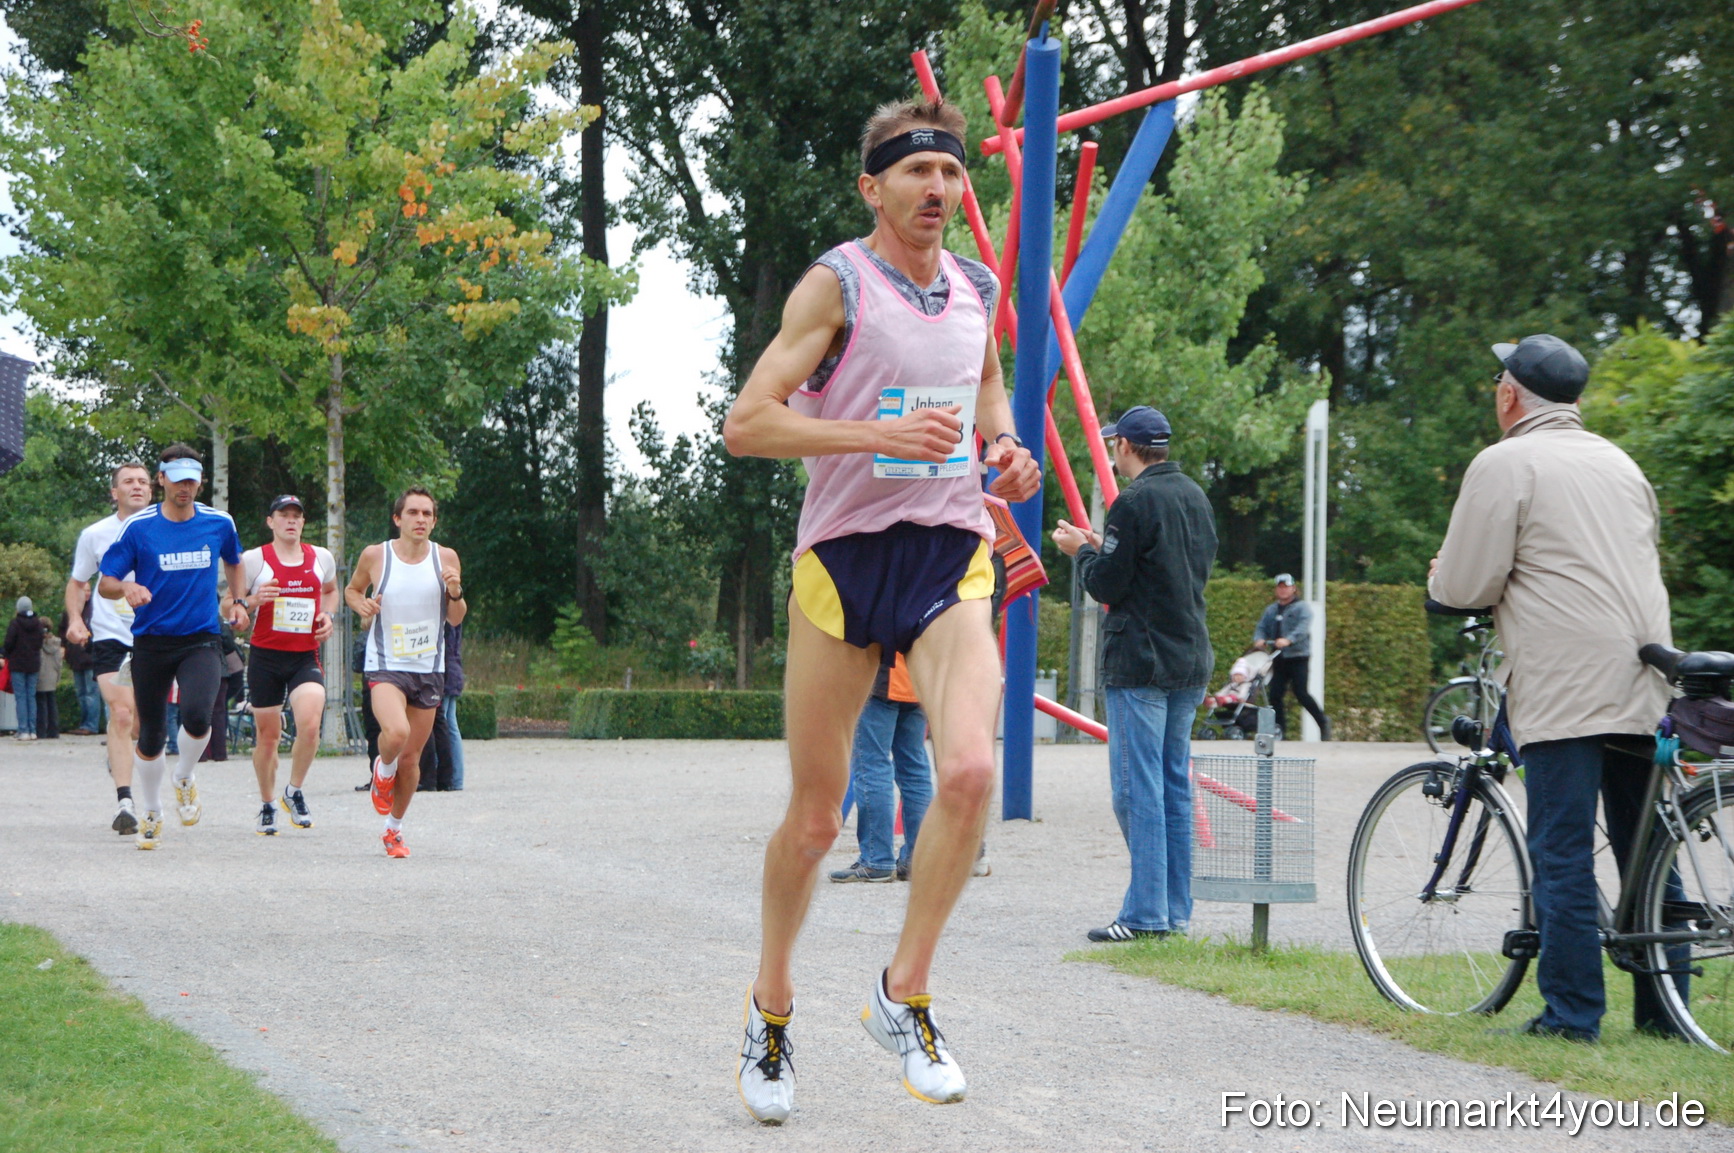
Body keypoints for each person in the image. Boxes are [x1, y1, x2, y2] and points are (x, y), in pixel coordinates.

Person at [721, 97, 1040, 1122]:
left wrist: (1005, 447)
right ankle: (771, 1008)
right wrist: (867, 435)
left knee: (972, 768)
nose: (938, 192)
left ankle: (904, 993)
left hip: (951, 551)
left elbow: (985, 386)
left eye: (950, 176)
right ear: (873, 187)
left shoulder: (978, 288)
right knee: (817, 821)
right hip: (846, 562)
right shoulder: (839, 284)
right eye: (916, 175)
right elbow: (747, 424)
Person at [1429, 333, 1675, 1043]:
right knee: (1645, 843)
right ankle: (1667, 1012)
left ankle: (1573, 1014)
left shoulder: (1506, 462)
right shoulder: (1621, 462)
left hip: (1566, 680)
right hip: (1643, 671)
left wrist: (1440, 578)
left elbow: (1470, 581)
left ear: (1511, 395)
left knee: (1561, 848)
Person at [1053, 405, 1217, 944]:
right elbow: (1165, 570)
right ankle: (1175, 910)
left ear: (1125, 446)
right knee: (1173, 786)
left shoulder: (1133, 502)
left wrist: (1081, 553)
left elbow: (1106, 586)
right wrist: (1104, 549)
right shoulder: (1194, 496)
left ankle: (1145, 914)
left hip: (1141, 663)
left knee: (1135, 789)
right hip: (1188, 656)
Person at [98, 444, 248, 849]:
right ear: (160, 479)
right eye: (178, 479)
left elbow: (234, 560)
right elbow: (105, 581)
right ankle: (152, 810)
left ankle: (184, 775)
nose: (186, 487)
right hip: (151, 642)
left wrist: (238, 599)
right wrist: (127, 585)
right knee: (150, 736)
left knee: (199, 717)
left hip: (201, 638)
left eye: (193, 480)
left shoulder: (219, 523)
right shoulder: (139, 527)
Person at [346, 486, 467, 859]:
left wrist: (455, 591)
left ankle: (393, 829)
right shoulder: (376, 555)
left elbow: (455, 618)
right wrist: (363, 606)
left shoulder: (445, 557)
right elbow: (352, 590)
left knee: (413, 760)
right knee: (395, 733)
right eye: (412, 513)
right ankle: (382, 770)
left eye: (427, 514)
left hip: (429, 668)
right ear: (398, 519)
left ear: (434, 521)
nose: (420, 520)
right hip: (385, 663)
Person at [240, 495, 338, 834]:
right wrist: (252, 601)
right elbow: (231, 606)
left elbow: (331, 591)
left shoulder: (321, 557)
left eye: (297, 516)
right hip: (265, 657)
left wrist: (328, 615)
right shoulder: (254, 560)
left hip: (303, 656)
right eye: (284, 515)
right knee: (267, 737)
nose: (291, 521)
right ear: (271, 521)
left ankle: (293, 791)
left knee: (310, 724)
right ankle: (267, 803)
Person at [66, 460, 154, 833]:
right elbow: (77, 583)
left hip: (157, 634)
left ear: (153, 490)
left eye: (143, 482)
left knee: (141, 722)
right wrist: (74, 619)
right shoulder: (95, 535)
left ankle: (122, 758)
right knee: (121, 713)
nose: (136, 486)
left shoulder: (167, 530)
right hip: (111, 636)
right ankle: (126, 802)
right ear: (114, 492)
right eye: (128, 482)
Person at [829, 655, 934, 884]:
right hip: (916, 679)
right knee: (915, 770)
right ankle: (919, 860)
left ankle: (876, 860)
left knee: (872, 766)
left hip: (879, 678)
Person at [1253, 574, 1331, 741]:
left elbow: (1302, 629)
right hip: (1279, 658)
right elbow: (1261, 627)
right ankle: (1280, 731)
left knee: (1301, 692)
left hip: (1298, 657)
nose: (1282, 590)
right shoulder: (1271, 610)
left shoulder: (1302, 608)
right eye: (1279, 587)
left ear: (1293, 588)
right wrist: (1259, 639)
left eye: (1286, 587)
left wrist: (1288, 640)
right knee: (1275, 695)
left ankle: (1322, 722)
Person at [3, 597, 46, 741]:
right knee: (31, 697)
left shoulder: (15, 624)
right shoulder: (38, 624)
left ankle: (23, 730)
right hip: (33, 664)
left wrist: (7, 654)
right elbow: (40, 643)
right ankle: (33, 730)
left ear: (18, 608)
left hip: (18, 665)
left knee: (21, 697)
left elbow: (8, 643)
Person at [63, 614, 100, 735]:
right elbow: (63, 632)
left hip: (90, 661)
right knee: (81, 694)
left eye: (88, 592)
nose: (87, 594)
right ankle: (84, 724)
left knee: (91, 694)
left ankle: (91, 725)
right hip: (76, 660)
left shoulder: (95, 610)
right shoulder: (70, 614)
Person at [35, 616, 61, 739]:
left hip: (41, 674)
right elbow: (58, 662)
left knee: (41, 704)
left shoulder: (37, 643)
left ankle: (41, 730)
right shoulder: (56, 642)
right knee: (52, 703)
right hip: (52, 675)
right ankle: (54, 731)